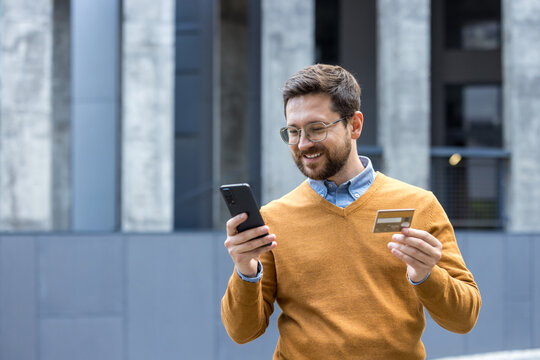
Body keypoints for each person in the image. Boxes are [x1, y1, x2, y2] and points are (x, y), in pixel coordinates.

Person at [221, 64, 481, 359]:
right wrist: (245, 270)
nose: (303, 144)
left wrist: (426, 275)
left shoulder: (419, 206)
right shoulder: (273, 219)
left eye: (316, 129)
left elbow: (464, 319)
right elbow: (242, 332)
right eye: (293, 132)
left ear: (354, 125)